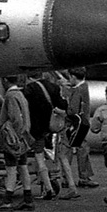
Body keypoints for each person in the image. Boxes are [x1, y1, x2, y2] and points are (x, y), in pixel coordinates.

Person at [23, 71, 76, 200]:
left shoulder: (28, 90)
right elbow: (63, 105)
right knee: (61, 156)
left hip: (37, 128)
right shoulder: (54, 87)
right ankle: (71, 185)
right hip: (53, 127)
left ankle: (48, 188)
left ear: (29, 77)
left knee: (40, 158)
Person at [0, 75, 37, 211]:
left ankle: (7, 200)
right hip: (23, 137)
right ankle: (28, 198)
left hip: (14, 139)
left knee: (11, 169)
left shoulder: (10, 96)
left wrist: (13, 136)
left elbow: (15, 118)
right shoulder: (20, 95)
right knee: (22, 167)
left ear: (5, 81)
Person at [62, 68, 96, 188]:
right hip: (83, 123)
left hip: (73, 124)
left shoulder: (77, 90)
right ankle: (84, 177)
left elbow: (72, 110)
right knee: (83, 149)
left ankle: (66, 177)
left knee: (66, 150)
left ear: (73, 77)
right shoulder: (84, 87)